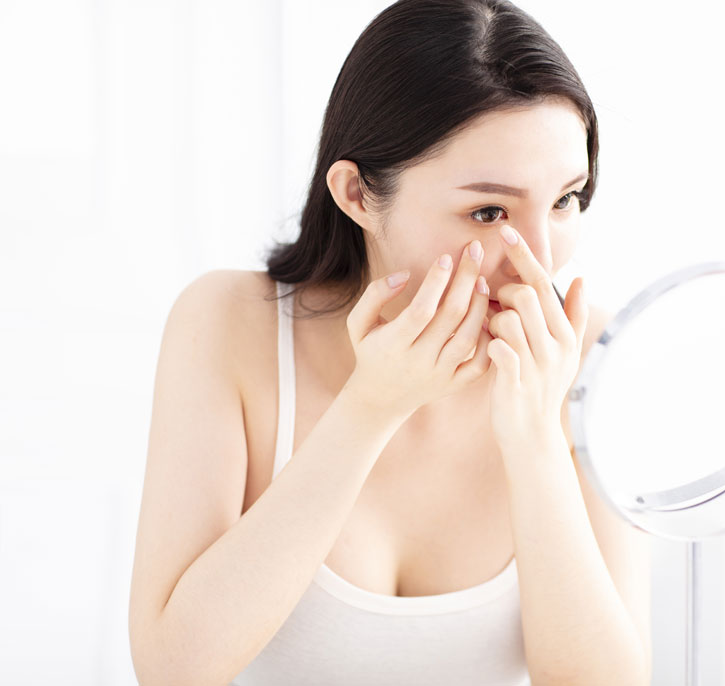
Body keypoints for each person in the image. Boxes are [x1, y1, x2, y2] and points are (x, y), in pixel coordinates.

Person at [128, 1, 652, 684]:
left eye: (565, 200)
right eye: (488, 211)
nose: (540, 258)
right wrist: (368, 409)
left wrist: (535, 442)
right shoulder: (229, 324)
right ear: (356, 195)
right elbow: (174, 669)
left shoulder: (583, 355)